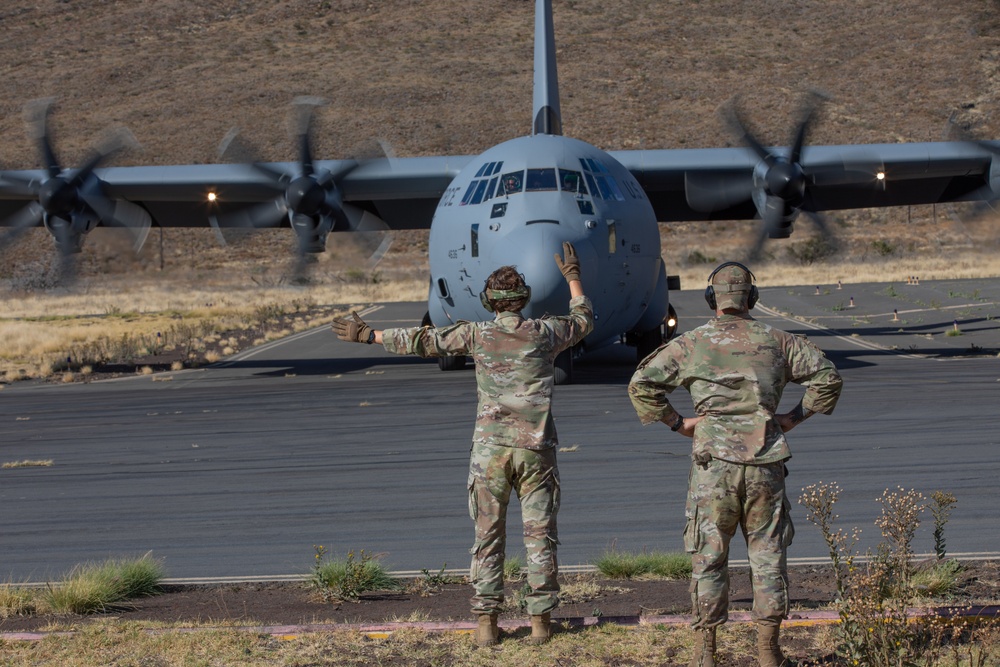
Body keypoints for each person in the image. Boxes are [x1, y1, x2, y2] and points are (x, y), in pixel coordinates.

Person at [331, 242, 593, 647]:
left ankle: (487, 623)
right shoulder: (544, 334)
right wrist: (573, 277)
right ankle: (540, 622)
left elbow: (423, 341)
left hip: (490, 453)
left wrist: (369, 335)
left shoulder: (476, 335)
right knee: (539, 535)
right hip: (535, 451)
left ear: (489, 302)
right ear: (523, 299)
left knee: (488, 535)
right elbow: (583, 320)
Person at [627, 261, 843, 667]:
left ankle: (707, 652)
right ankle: (769, 652)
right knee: (767, 554)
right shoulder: (779, 341)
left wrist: (678, 423)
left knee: (709, 555)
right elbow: (828, 377)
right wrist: (792, 418)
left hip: (714, 466)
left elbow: (642, 384)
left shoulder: (692, 344)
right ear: (752, 299)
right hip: (766, 464)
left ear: (713, 300)